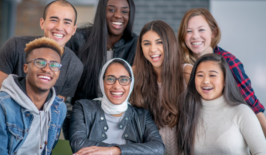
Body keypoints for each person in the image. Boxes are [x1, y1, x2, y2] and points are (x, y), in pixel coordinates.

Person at [0, 0, 84, 150]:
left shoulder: (75, 66)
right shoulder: (15, 46)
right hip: (4, 128)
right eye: (54, 20)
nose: (59, 27)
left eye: (67, 22)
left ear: (74, 29)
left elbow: (52, 110)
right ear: (42, 23)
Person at [177, 8, 266, 136]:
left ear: (213, 32)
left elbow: (253, 107)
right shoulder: (180, 64)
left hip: (227, 134)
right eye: (188, 31)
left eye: (201, 30)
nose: (195, 36)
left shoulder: (229, 62)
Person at [0, 37, 67, 155]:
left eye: (54, 65)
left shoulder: (58, 109)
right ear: (26, 68)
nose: (47, 69)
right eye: (40, 62)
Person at [69, 58, 165, 155]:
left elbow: (158, 148)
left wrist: (114, 151)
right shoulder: (83, 107)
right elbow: (78, 144)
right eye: (110, 79)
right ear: (102, 82)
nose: (117, 86)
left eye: (124, 79)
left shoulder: (142, 115)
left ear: (131, 84)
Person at [176, 53, 266, 155]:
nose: (205, 81)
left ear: (224, 80)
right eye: (200, 75)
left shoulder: (242, 112)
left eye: (212, 75)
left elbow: (261, 152)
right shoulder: (188, 111)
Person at [66, 0, 138, 103]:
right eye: (111, 10)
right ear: (101, 12)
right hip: (83, 112)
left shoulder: (137, 45)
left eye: (124, 11)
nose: (118, 15)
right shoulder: (78, 39)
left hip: (120, 114)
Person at [130, 20, 184, 155]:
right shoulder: (134, 74)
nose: (153, 49)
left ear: (170, 44)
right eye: (146, 43)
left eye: (159, 42)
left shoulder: (186, 74)